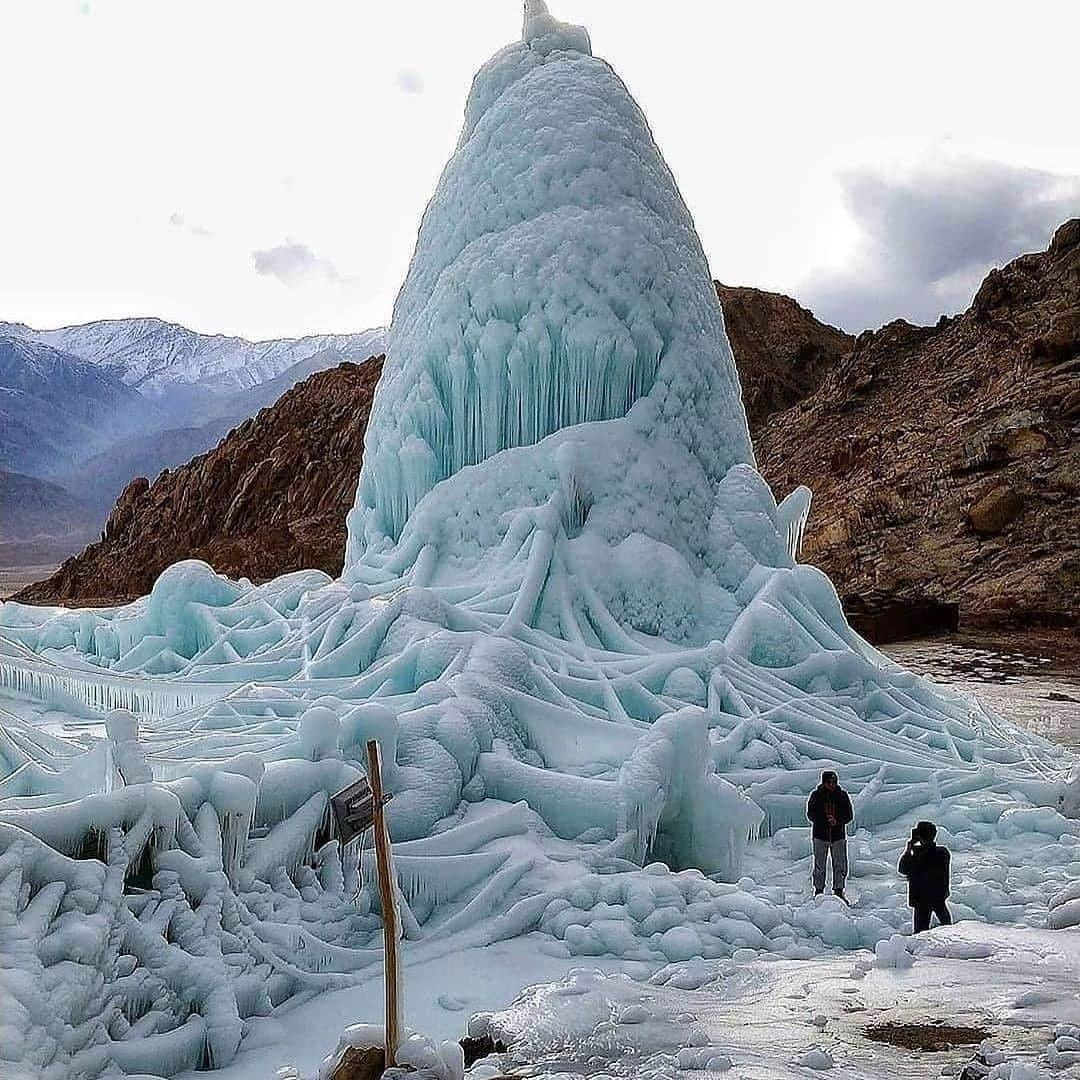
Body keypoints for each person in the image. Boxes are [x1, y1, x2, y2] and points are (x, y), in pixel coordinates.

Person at [806, 770, 854, 899]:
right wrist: (825, 820)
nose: (832, 784)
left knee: (840, 864)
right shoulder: (816, 796)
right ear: (824, 782)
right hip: (820, 835)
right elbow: (811, 814)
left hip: (838, 836)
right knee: (819, 865)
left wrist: (837, 820)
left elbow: (849, 815)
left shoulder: (842, 795)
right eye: (829, 782)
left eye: (834, 782)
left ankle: (839, 891)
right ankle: (818, 891)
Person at [898, 820, 952, 933]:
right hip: (939, 896)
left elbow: (903, 869)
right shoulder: (943, 853)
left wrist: (909, 849)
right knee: (947, 925)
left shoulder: (918, 857)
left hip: (921, 900)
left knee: (920, 932)